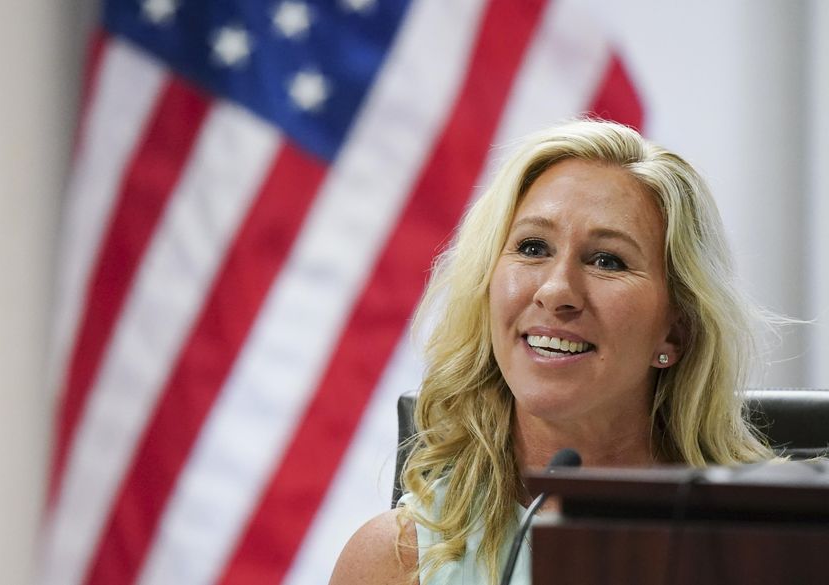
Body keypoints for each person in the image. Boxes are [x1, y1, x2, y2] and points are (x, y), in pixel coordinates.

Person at [329, 119, 776, 585]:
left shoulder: (768, 550)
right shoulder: (397, 561)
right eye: (532, 247)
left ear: (675, 334)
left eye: (607, 260)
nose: (556, 289)